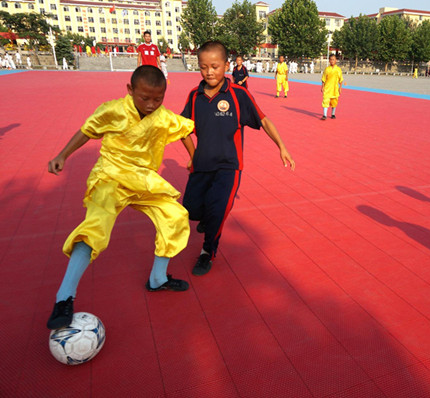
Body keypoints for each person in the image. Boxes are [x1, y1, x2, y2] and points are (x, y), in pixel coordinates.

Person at [46, 66, 195, 329]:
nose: (151, 104)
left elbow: (184, 131)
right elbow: (87, 131)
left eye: (158, 99)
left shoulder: (164, 117)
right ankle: (64, 298)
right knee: (95, 229)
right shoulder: (113, 110)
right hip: (111, 177)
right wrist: (62, 155)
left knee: (175, 216)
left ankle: (158, 279)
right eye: (144, 98)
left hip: (144, 179)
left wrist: (194, 157)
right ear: (130, 90)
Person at [180, 41, 295, 276]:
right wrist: (193, 156)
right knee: (190, 210)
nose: (209, 72)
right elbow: (182, 130)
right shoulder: (194, 96)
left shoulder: (238, 95)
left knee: (219, 211)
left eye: (214, 66)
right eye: (203, 67)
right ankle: (207, 219)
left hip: (229, 167)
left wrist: (281, 146)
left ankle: (207, 253)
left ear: (226, 66)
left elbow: (263, 120)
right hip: (201, 165)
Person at [321, 54, 344, 120]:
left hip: (335, 88)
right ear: (329, 61)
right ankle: (324, 115)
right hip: (327, 88)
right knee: (325, 101)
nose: (332, 61)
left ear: (336, 60)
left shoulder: (338, 69)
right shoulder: (327, 69)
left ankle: (333, 114)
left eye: (333, 59)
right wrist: (322, 87)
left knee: (334, 102)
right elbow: (323, 79)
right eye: (330, 60)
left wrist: (340, 88)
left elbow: (341, 80)